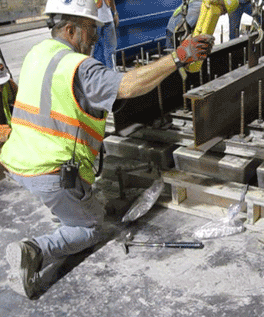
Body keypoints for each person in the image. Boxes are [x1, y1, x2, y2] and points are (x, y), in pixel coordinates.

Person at [0, 0, 214, 300]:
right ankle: (33, 250)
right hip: (49, 171)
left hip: (18, 159)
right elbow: (128, 86)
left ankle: (69, 209)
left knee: (87, 206)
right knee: (90, 228)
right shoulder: (79, 68)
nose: (96, 37)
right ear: (71, 29)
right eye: (91, 29)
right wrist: (179, 57)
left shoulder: (39, 53)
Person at [92, 0, 119, 69]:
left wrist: (115, 13)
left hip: (104, 21)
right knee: (105, 50)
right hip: (100, 21)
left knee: (101, 50)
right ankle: (108, 73)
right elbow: (99, 4)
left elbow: (110, 2)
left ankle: (105, 73)